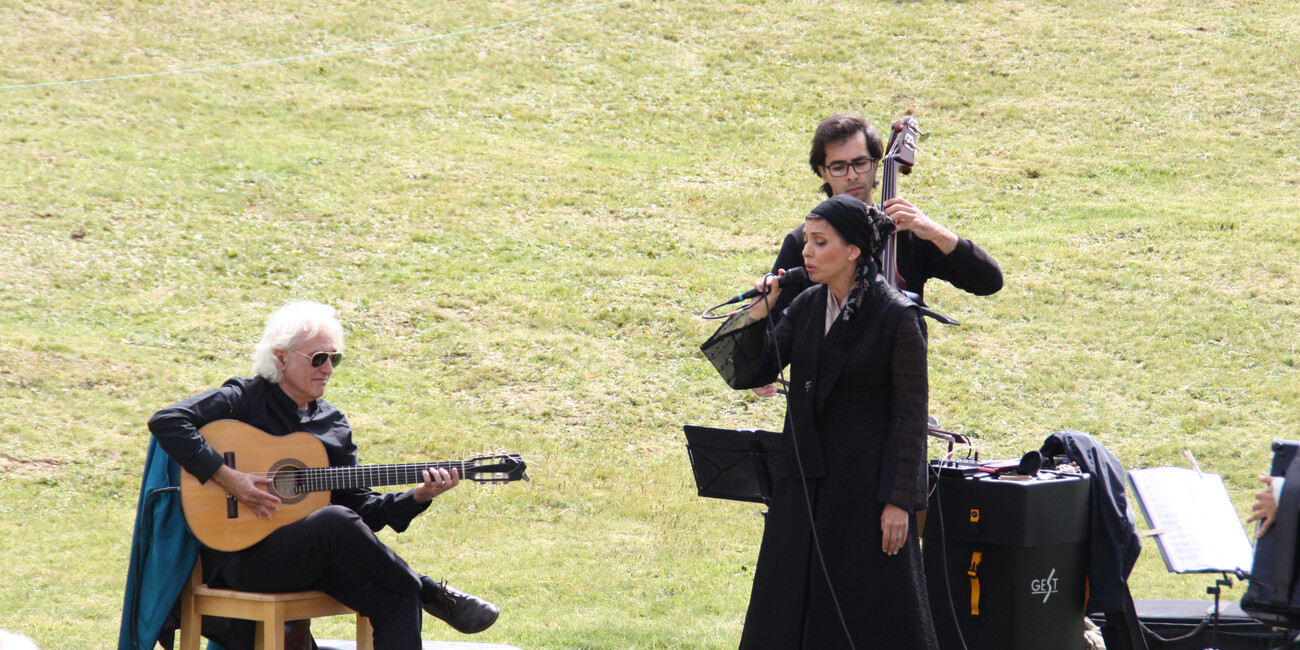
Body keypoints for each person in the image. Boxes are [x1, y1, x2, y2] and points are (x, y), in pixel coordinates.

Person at [147, 301, 498, 649]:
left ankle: (415, 590)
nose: (328, 368)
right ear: (281, 357)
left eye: (335, 358)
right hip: (243, 560)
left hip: (313, 561)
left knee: (395, 594)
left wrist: (418, 496)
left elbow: (362, 513)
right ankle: (428, 590)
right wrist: (228, 476)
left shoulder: (332, 423)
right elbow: (167, 421)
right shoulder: (244, 399)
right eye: (318, 358)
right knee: (335, 522)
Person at [711, 195, 938, 649]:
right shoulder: (810, 304)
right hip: (804, 476)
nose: (806, 253)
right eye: (806, 241)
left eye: (820, 242)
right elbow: (749, 372)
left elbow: (910, 419)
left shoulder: (897, 317)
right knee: (790, 597)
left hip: (865, 488)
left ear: (853, 250)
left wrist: (899, 501)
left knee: (864, 604)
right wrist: (760, 309)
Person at [753, 113, 1002, 396]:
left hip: (894, 392)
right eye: (838, 166)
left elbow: (988, 281)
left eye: (860, 163)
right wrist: (762, 368)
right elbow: (772, 326)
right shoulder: (805, 243)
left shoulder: (907, 233)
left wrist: (933, 230)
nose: (852, 175)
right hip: (820, 395)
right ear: (822, 172)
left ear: (876, 165)